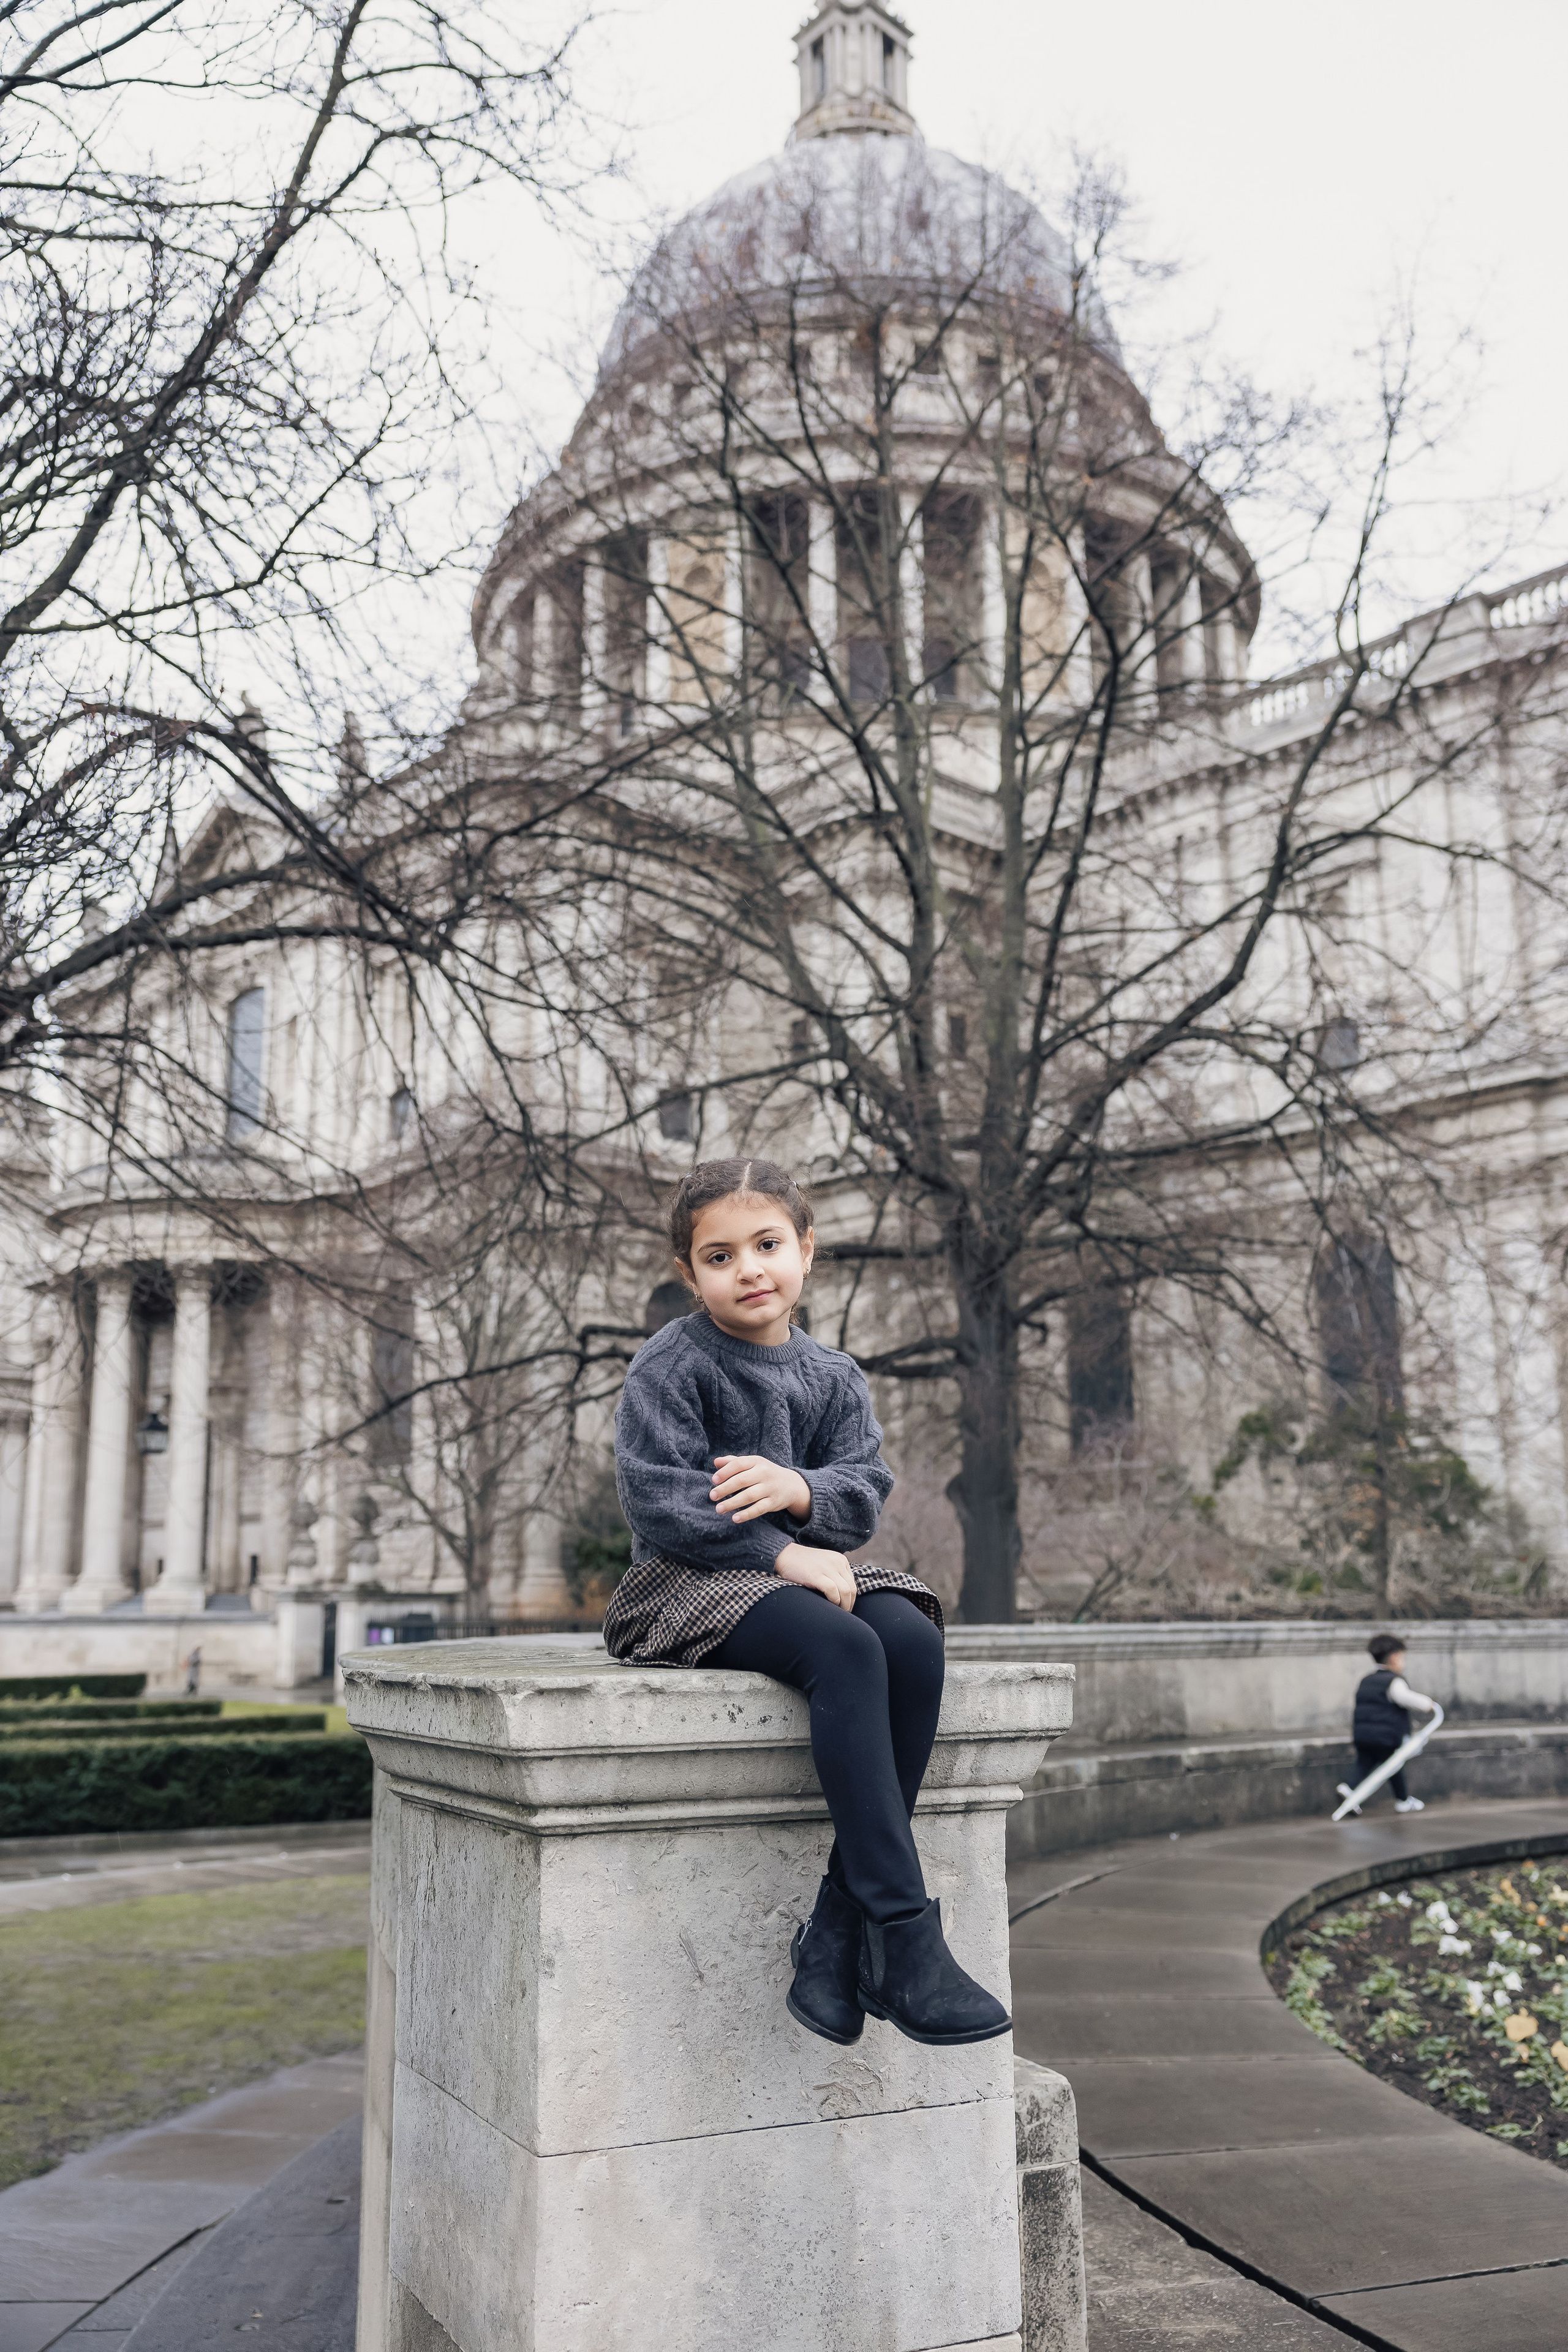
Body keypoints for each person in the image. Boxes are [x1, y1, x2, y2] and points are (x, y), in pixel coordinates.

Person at [607, 1154, 1011, 2050]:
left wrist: (797, 1489)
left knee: (909, 1638)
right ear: (689, 1274)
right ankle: (902, 1934)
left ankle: (837, 1936)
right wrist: (782, 1549)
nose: (749, 1269)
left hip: (795, 1567)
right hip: (683, 1582)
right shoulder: (672, 1363)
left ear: (806, 1252)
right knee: (847, 1650)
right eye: (720, 1257)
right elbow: (659, 1499)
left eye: (767, 1244)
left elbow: (864, 1489)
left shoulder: (833, 1374)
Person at [1351, 1632, 1438, 1813]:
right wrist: (1427, 1704)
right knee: (1394, 1765)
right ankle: (1403, 1800)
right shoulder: (1393, 1681)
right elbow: (1404, 1698)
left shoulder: (1366, 1680)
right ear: (1395, 1658)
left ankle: (1349, 1790)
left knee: (1365, 1765)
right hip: (1386, 1736)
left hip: (1363, 1735)